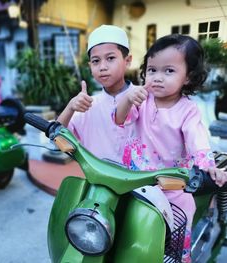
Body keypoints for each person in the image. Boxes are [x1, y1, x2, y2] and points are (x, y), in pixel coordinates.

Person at [113, 34, 227, 262]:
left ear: (188, 77)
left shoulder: (188, 110)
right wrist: (127, 98)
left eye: (169, 71)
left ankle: (175, 256)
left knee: (180, 217)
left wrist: (208, 167)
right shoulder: (142, 99)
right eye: (152, 69)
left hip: (170, 183)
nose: (157, 77)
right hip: (133, 178)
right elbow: (119, 119)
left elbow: (197, 140)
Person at [57, 24, 133, 162]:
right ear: (90, 66)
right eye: (96, 61)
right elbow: (57, 137)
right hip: (97, 182)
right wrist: (70, 107)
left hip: (139, 182)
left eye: (110, 58)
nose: (102, 67)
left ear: (127, 61)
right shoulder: (87, 105)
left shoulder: (144, 99)